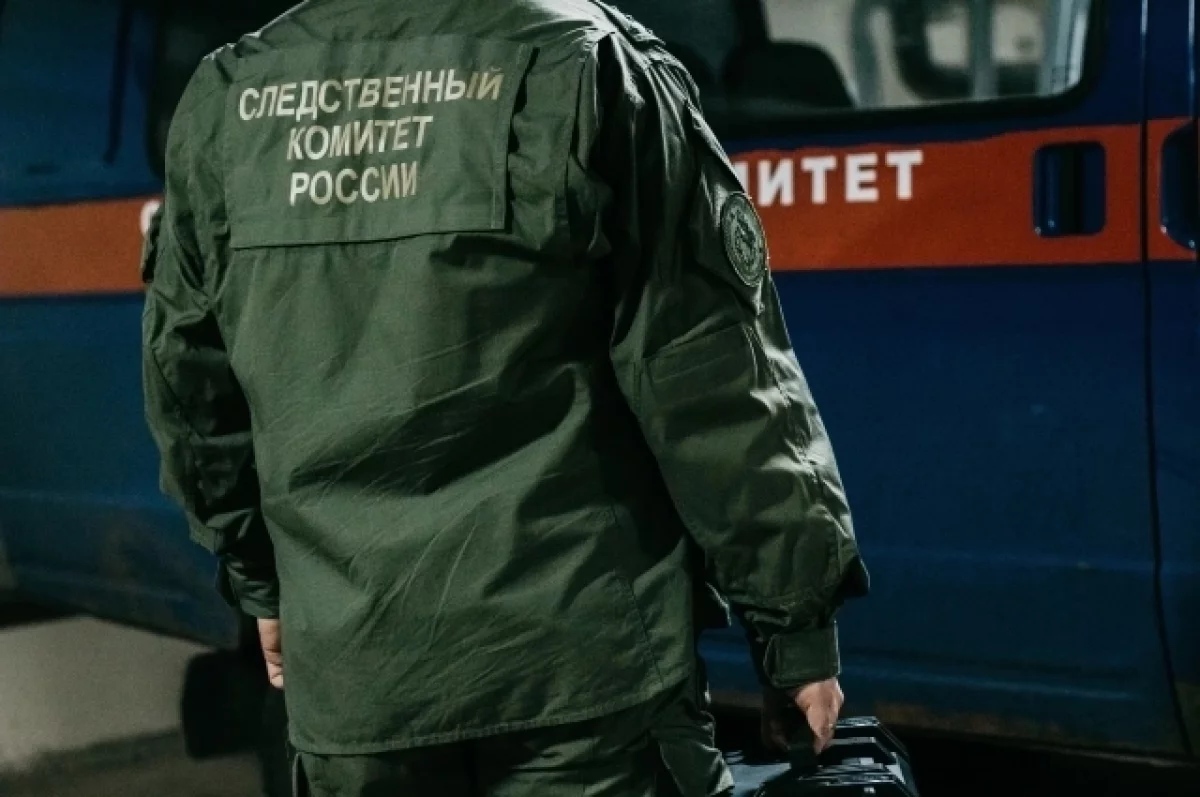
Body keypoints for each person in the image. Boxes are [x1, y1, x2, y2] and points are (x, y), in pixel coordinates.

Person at [141, 1, 869, 794]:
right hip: (585, 675)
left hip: (357, 681)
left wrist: (261, 580)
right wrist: (793, 629)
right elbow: (710, 377)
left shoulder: (229, 97)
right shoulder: (588, 62)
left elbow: (190, 387)